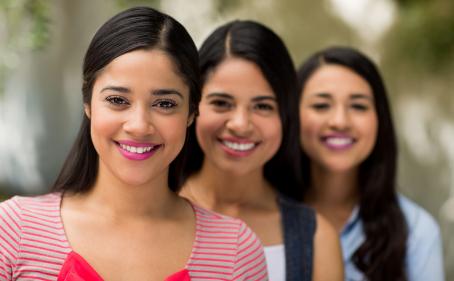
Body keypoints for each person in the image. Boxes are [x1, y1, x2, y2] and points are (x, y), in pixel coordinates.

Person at [0, 7, 268, 281]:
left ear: (191, 113)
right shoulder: (14, 231)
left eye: (165, 104)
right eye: (117, 100)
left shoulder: (236, 252)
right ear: (88, 103)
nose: (139, 125)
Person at [180, 20, 343, 281]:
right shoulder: (151, 207)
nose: (240, 124)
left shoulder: (316, 239)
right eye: (222, 103)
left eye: (263, 106)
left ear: (286, 116)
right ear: (193, 107)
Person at [297, 46, 445, 281]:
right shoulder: (259, 219)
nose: (340, 121)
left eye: (358, 106)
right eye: (321, 105)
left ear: (379, 119)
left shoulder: (417, 232)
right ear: (291, 116)